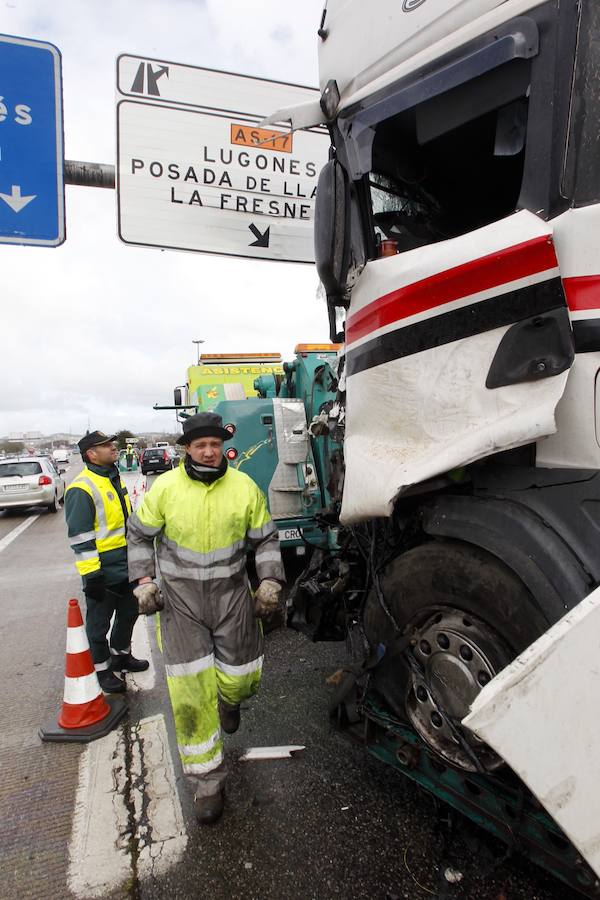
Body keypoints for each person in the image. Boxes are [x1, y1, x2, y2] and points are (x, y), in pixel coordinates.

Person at [127, 412, 284, 824]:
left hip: (233, 596)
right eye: (201, 445)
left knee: (243, 676)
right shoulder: (165, 489)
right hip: (181, 605)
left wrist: (269, 580)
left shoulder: (244, 487)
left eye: (214, 444)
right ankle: (208, 784)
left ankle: (230, 701)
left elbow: (265, 537)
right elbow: (140, 534)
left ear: (221, 447)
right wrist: (143, 581)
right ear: (188, 449)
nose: (209, 451)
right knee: (192, 694)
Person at [64, 431, 149, 693]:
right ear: (91, 454)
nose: (114, 448)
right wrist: (92, 576)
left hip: (126, 564)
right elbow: (80, 538)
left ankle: (121, 655)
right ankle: (101, 669)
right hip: (103, 570)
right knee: (99, 624)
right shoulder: (82, 488)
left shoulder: (112, 478)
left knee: (129, 613)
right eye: (107, 446)